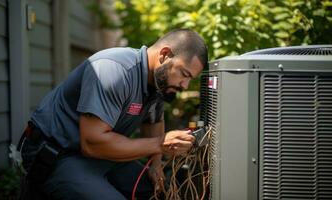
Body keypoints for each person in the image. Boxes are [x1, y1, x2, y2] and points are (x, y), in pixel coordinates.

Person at [18, 29, 208, 200]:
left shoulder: (159, 81)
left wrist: (155, 164)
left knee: (157, 193)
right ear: (165, 55)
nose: (185, 86)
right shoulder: (114, 70)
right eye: (184, 74)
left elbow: (153, 123)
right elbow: (92, 144)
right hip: (57, 154)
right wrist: (160, 144)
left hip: (101, 155)